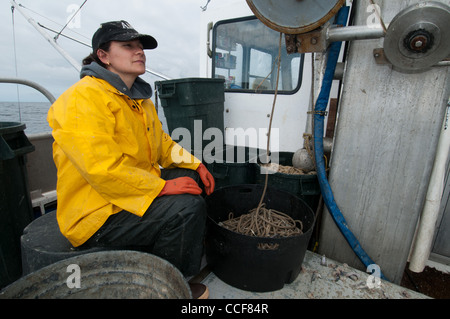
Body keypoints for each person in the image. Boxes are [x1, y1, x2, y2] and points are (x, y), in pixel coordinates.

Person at [47, 20, 214, 299]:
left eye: (140, 47)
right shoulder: (83, 98)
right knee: (186, 207)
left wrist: (196, 164)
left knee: (193, 179)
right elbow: (102, 169)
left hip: (127, 195)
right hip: (97, 212)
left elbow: (162, 145)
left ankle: (164, 256)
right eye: (128, 46)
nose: (139, 52)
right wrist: (161, 187)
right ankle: (169, 287)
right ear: (103, 56)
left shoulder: (139, 100)